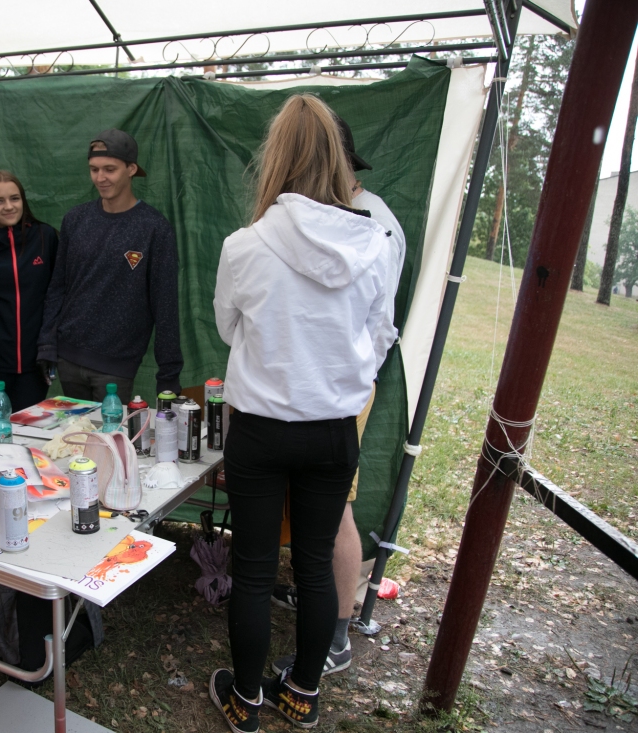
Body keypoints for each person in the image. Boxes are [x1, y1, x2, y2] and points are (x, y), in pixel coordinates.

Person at [210, 94, 396, 731]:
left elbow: (228, 328)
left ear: (276, 159)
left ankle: (246, 700)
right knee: (315, 564)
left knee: (254, 567)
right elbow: (380, 336)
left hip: (260, 429)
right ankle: (302, 693)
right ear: (339, 159)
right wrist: (333, 372)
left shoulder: (244, 245)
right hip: (332, 429)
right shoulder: (374, 243)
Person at [270, 114, 407, 679]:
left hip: (342, 392)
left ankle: (337, 635)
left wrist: (346, 385)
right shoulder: (328, 215)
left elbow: (379, 325)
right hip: (316, 388)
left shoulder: (374, 222)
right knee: (315, 503)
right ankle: (318, 597)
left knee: (334, 508)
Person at [37, 129, 182, 403]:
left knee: (109, 431)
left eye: (109, 169)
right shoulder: (75, 219)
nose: (100, 178)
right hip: (68, 359)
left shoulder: (154, 228)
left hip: (116, 368)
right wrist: (47, 343)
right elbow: (57, 287)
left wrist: (169, 374)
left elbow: (165, 306)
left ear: (131, 169)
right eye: (94, 169)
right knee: (75, 431)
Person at [0, 170, 59, 411]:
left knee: (28, 428)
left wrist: (49, 347)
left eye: (14, 198)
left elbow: (58, 294)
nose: (8, 206)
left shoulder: (45, 237)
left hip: (35, 364)